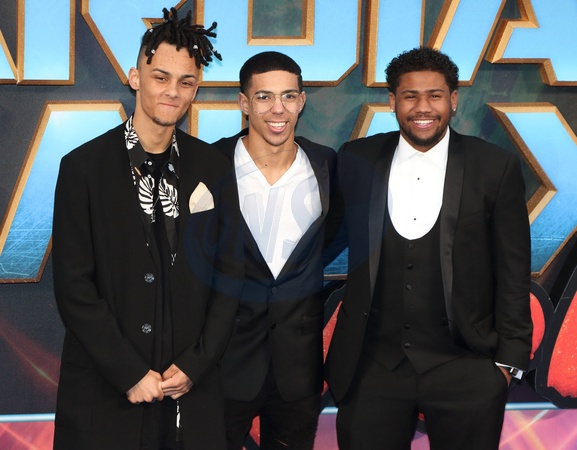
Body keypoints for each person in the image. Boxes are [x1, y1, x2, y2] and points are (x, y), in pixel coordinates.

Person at [52, 8, 242, 450]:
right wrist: (129, 372)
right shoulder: (83, 168)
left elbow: (229, 274)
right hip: (105, 395)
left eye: (186, 82)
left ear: (196, 88)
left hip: (190, 398)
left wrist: (196, 364)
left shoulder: (213, 167)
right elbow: (74, 286)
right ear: (135, 78)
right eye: (161, 77)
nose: (173, 91)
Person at [324, 46, 532, 450]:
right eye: (410, 96)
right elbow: (321, 240)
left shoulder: (494, 166)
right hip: (372, 367)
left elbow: (513, 270)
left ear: (453, 100)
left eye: (434, 95)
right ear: (392, 101)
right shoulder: (356, 158)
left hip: (467, 365)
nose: (423, 107)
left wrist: (507, 364)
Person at [212, 51, 336, 449]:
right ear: (244, 103)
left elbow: (330, 239)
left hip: (298, 368)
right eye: (264, 97)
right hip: (221, 363)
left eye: (288, 96)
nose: (277, 109)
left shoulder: (326, 165)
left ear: (301, 101)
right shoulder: (209, 164)